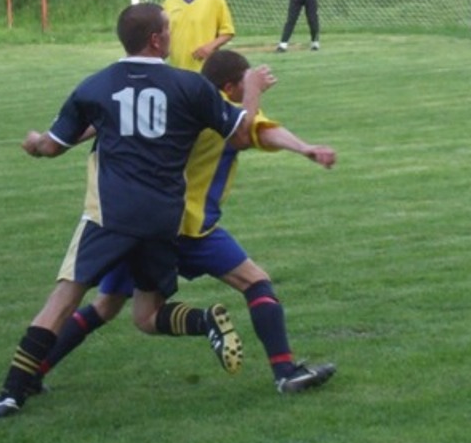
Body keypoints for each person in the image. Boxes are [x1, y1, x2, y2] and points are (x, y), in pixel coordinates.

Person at [0, 3, 271, 417]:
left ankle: (11, 393)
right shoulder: (190, 87)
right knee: (146, 315)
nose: (172, 35)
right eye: (168, 30)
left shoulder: (96, 86)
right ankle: (203, 321)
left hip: (111, 214)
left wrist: (33, 143)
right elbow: (242, 134)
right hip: (163, 218)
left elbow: (51, 146)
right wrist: (253, 89)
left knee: (63, 300)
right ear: (156, 40)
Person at [33, 50, 338, 394]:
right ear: (229, 87)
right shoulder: (224, 114)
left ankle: (32, 374)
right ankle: (284, 372)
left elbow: (107, 118)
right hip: (190, 227)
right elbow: (256, 132)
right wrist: (303, 146)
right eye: (244, 81)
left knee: (106, 305)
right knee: (255, 282)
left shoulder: (177, 99)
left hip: (139, 223)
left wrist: (51, 139)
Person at [162, 0, 236, 71]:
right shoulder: (169, 1)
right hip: (176, 68)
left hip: (204, 68)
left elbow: (228, 32)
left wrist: (209, 47)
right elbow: (164, 32)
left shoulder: (215, 0)